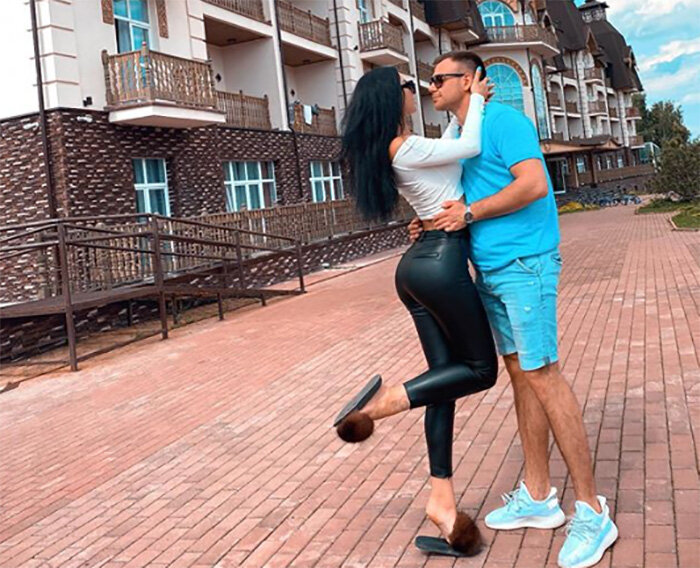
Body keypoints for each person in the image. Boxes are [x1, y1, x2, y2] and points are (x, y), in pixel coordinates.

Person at [408, 51, 618, 568]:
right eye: (429, 80)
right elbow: (464, 197)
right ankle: (539, 496)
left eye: (439, 78)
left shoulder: (505, 121)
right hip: (491, 270)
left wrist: (471, 212)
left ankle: (592, 511)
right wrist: (433, 222)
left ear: (470, 80)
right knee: (521, 377)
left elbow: (533, 184)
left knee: (544, 375)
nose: (431, 86)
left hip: (526, 264)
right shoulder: (465, 135)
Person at [334, 66, 497, 557]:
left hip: (419, 263)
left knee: (443, 386)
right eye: (410, 85)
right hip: (440, 265)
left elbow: (449, 146)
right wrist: (477, 97)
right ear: (393, 97)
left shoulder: (404, 146)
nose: (419, 89)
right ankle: (381, 404)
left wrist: (462, 110)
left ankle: (441, 504)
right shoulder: (403, 147)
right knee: (481, 370)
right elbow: (469, 146)